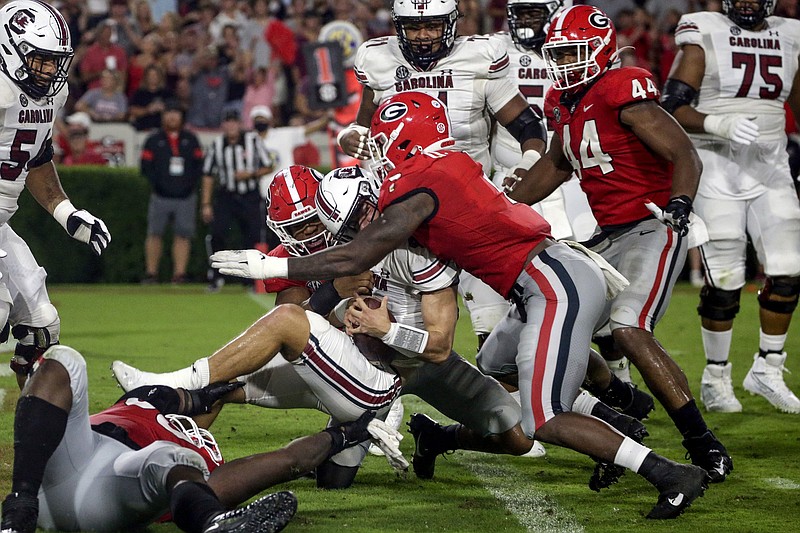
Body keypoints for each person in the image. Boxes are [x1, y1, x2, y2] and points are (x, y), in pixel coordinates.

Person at [209, 91, 710, 519]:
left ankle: (664, 465)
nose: (380, 160)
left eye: (385, 147)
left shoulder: (416, 193)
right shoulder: (423, 181)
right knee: (498, 364)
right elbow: (321, 301)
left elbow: (388, 281)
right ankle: (599, 415)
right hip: (525, 289)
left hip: (544, 283)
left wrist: (271, 270)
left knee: (541, 419)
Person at [506, 5, 734, 484]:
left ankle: (702, 442)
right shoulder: (562, 102)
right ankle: (621, 414)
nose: (564, 63)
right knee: (549, 322)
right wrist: (501, 204)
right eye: (558, 53)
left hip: (651, 224)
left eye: (573, 52)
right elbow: (555, 165)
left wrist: (679, 203)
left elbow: (683, 153)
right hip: (606, 235)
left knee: (629, 327)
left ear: (600, 49)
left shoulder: (620, 87)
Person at [0, 345, 400, 533]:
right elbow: (179, 396)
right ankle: (17, 511)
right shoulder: (145, 402)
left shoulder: (197, 466)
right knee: (65, 360)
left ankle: (212, 525)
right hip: (51, 476)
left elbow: (288, 460)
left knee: (168, 458)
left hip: (105, 494)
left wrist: (346, 433)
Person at [337, 0, 549, 349]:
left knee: (492, 324)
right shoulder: (379, 62)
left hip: (470, 211)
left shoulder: (478, 59)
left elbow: (527, 125)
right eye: (414, 27)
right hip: (405, 215)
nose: (423, 36)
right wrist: (349, 137)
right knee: (396, 328)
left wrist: (526, 163)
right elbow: (361, 126)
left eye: (432, 26)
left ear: (450, 23)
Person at [662, 0, 800, 414]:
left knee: (789, 268)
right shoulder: (704, 31)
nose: (744, 2)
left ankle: (768, 367)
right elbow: (671, 104)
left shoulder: (791, 34)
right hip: (717, 166)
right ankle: (716, 377)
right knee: (725, 278)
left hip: (770, 167)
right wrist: (716, 123)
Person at [0, 0, 111, 388]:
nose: (49, 71)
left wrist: (66, 212)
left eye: (54, 60)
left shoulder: (50, 94)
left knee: (42, 325)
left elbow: (36, 157)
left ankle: (36, 429)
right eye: (40, 60)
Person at [201, 109, 277, 291]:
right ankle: (216, 276)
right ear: (223, 125)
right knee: (217, 234)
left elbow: (268, 165)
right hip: (226, 195)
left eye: (234, 121)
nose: (231, 126)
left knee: (252, 236)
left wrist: (249, 174)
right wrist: (205, 204)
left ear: (240, 124)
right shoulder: (217, 145)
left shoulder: (253, 141)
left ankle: (250, 279)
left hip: (249, 195)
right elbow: (208, 174)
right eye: (227, 122)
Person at [140, 101, 205, 284]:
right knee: (154, 234)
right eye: (168, 112)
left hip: (185, 196)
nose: (172, 116)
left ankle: (179, 274)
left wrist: (189, 186)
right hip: (160, 195)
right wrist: (158, 186)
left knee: (183, 235)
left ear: (182, 117)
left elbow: (198, 166)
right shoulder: (153, 140)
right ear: (163, 116)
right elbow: (146, 167)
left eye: (176, 112)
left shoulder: (191, 139)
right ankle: (151, 274)